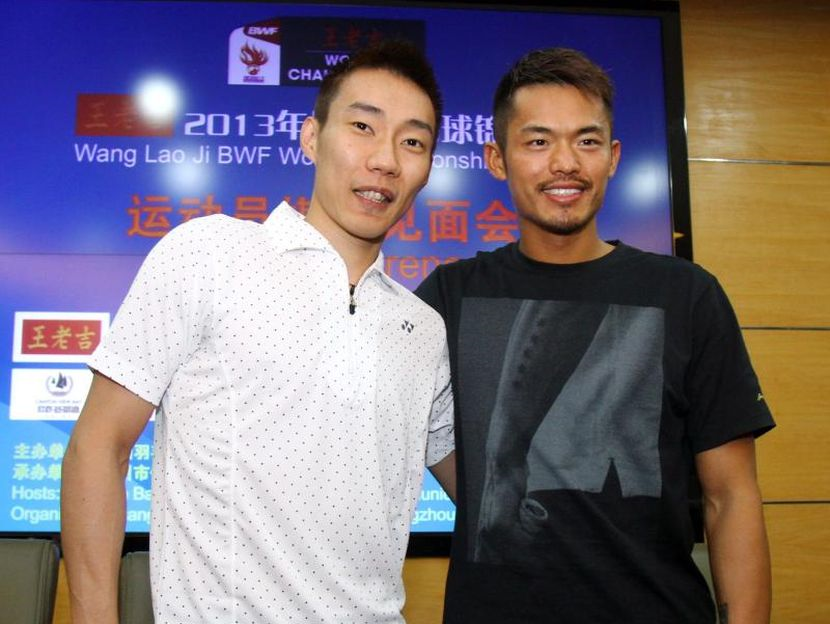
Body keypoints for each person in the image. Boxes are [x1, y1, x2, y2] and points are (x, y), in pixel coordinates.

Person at [61, 40, 456, 624]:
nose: (386, 160)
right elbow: (99, 445)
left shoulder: (422, 330)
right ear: (310, 137)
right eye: (362, 127)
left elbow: (488, 493)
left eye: (413, 142)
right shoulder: (209, 254)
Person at [416, 47, 774, 623]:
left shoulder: (687, 295)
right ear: (497, 159)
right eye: (538, 141)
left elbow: (729, 497)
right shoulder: (447, 297)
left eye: (586, 141)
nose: (565, 163)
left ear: (612, 157)